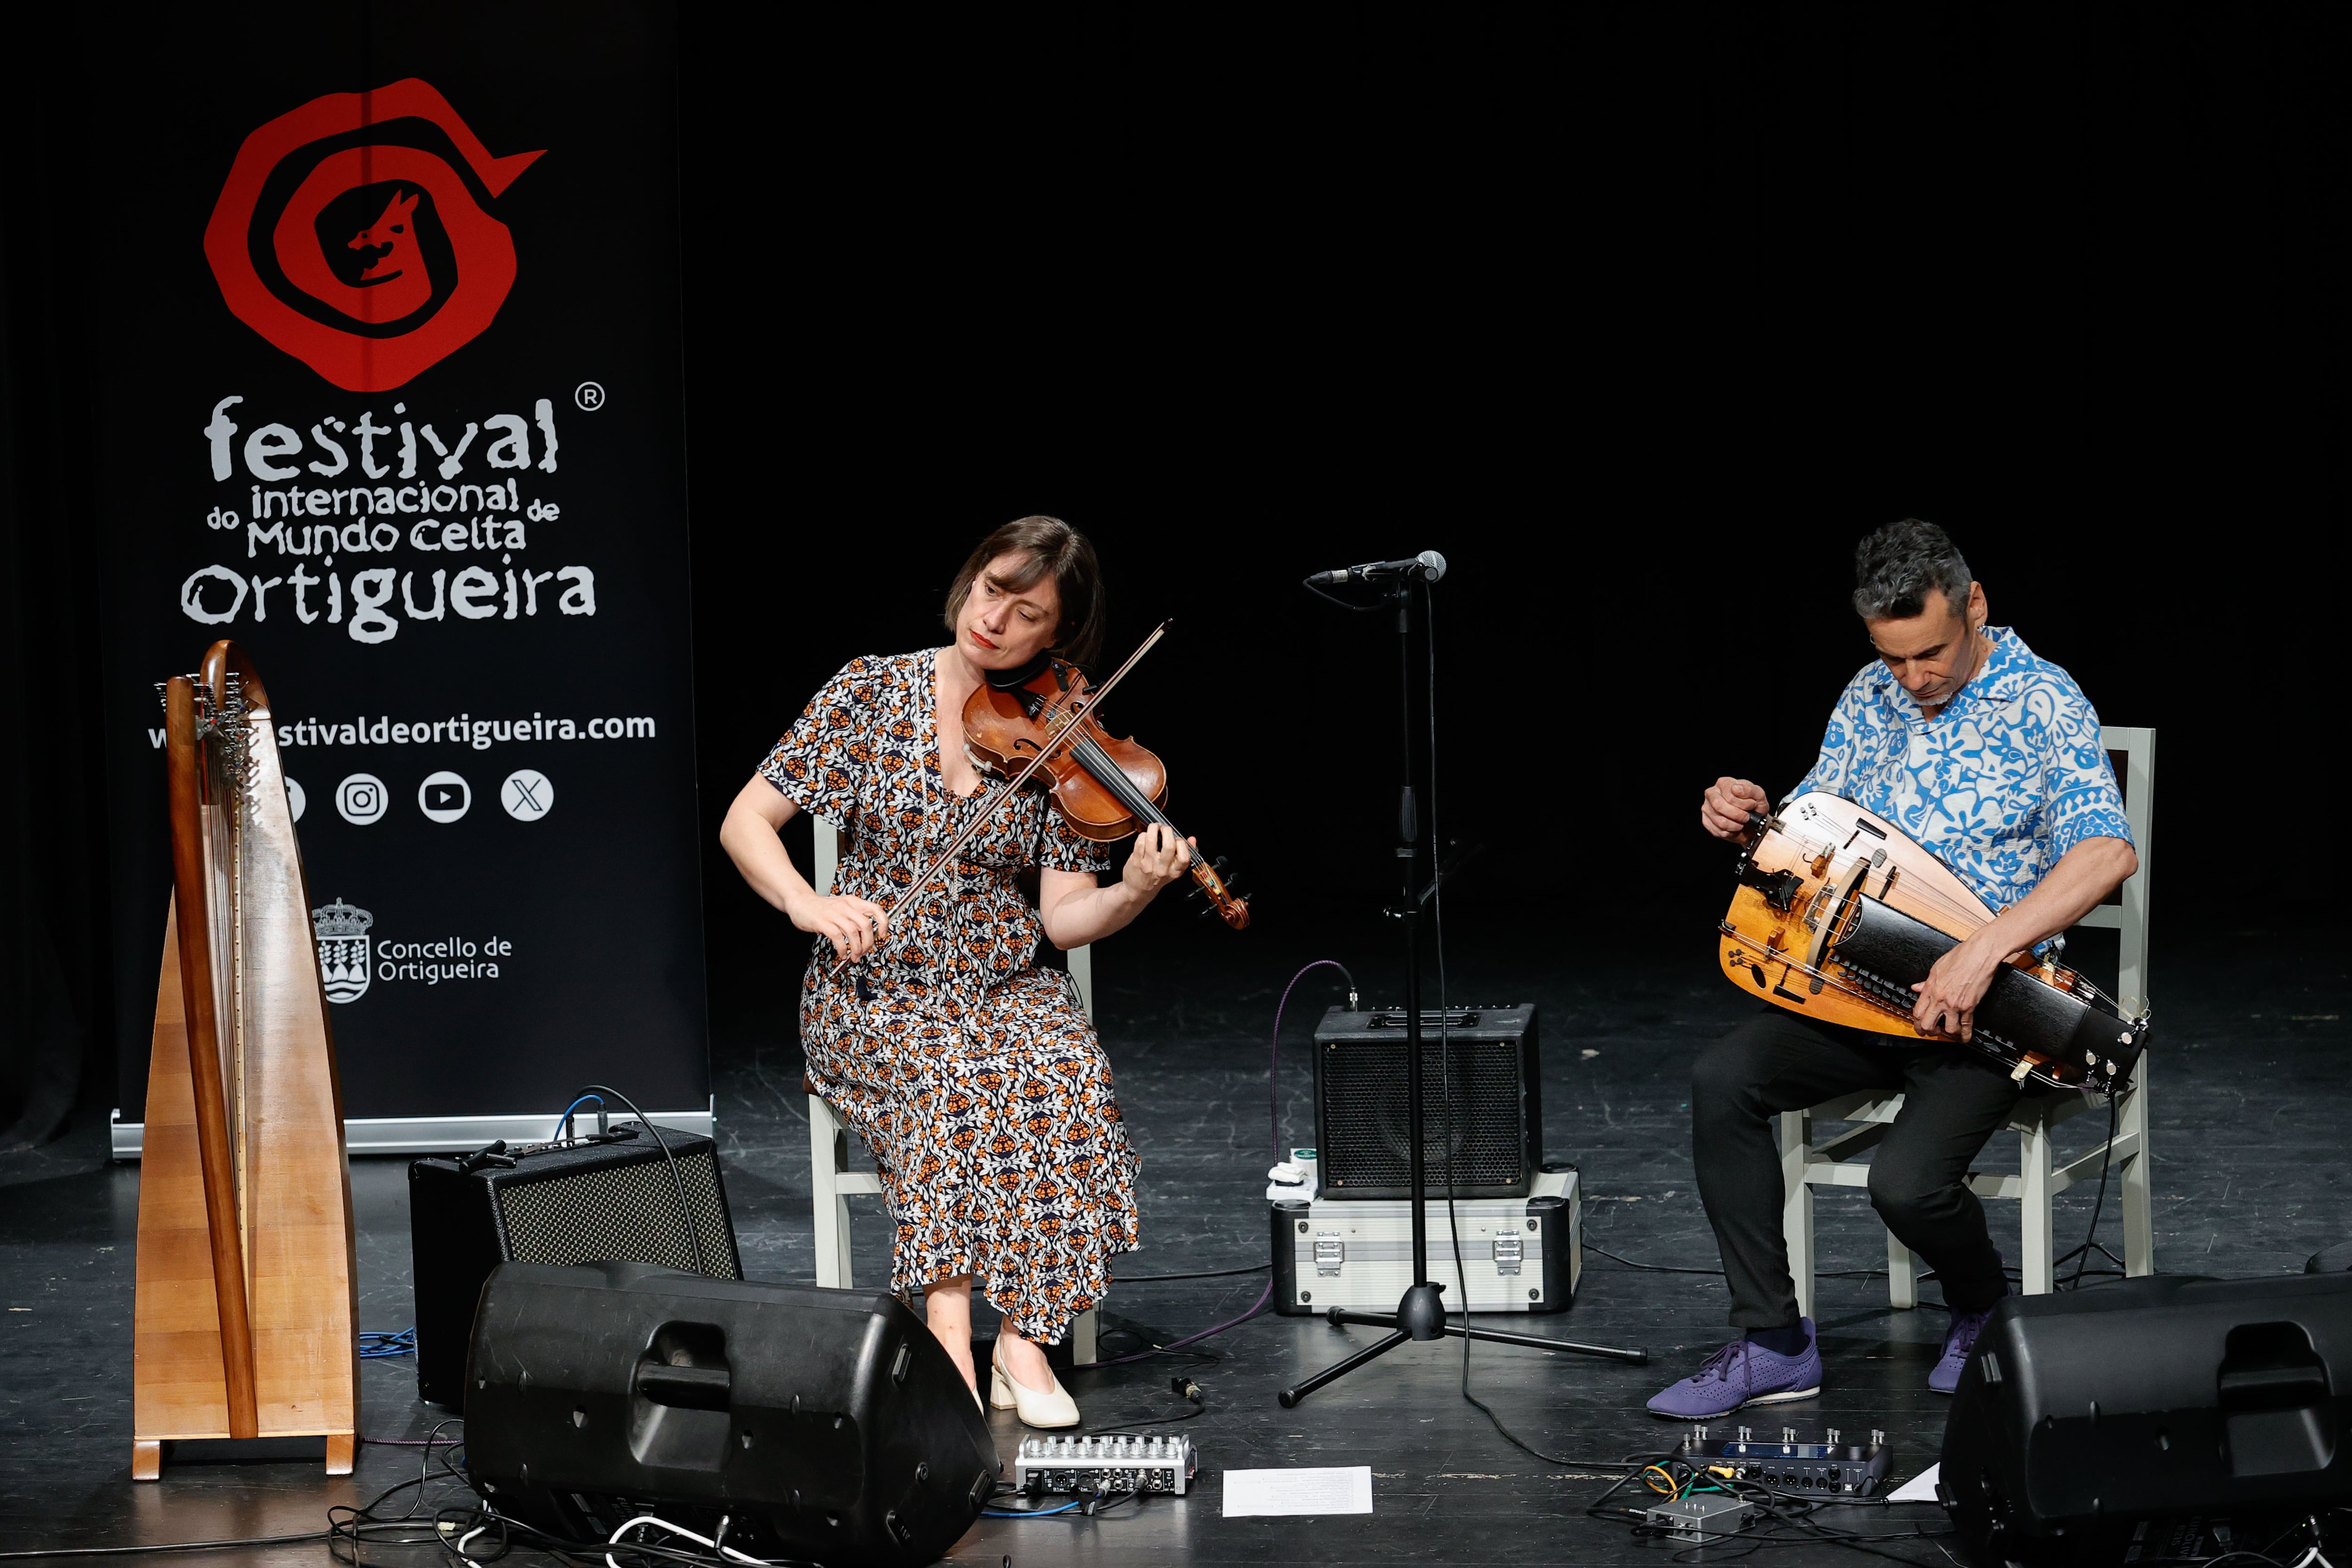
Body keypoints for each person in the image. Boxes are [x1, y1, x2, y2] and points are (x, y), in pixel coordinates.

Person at [1647, 518, 2138, 1420]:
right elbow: (1817, 836)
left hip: (1989, 1007)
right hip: (1859, 994)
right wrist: (1750, 814)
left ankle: (1983, 1305)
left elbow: (2106, 853)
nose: (1913, 680)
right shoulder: (1868, 693)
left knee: (1904, 1185)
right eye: (1893, 657)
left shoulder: (2043, 700)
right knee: (1724, 1078)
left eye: (1932, 654)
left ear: (1976, 604)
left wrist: (1978, 953)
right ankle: (1774, 1342)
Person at [718, 516, 1194, 1428]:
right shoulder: (868, 690)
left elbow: (1064, 917)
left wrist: (1133, 888)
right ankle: (943, 1319)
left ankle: (1024, 1335)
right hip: (876, 985)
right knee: (946, 1073)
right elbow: (747, 820)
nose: (996, 621)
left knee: (1069, 1073)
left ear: (1053, 633)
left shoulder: (1060, 733)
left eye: (1027, 612)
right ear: (968, 582)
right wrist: (807, 903)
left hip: (1004, 980)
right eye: (991, 590)